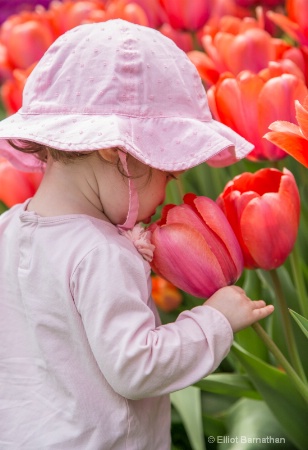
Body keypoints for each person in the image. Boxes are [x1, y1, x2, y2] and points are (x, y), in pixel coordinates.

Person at [0, 19, 274, 449]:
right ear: (119, 151)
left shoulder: (7, 230)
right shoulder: (99, 253)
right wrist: (215, 320)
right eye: (166, 172)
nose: (170, 188)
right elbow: (137, 367)